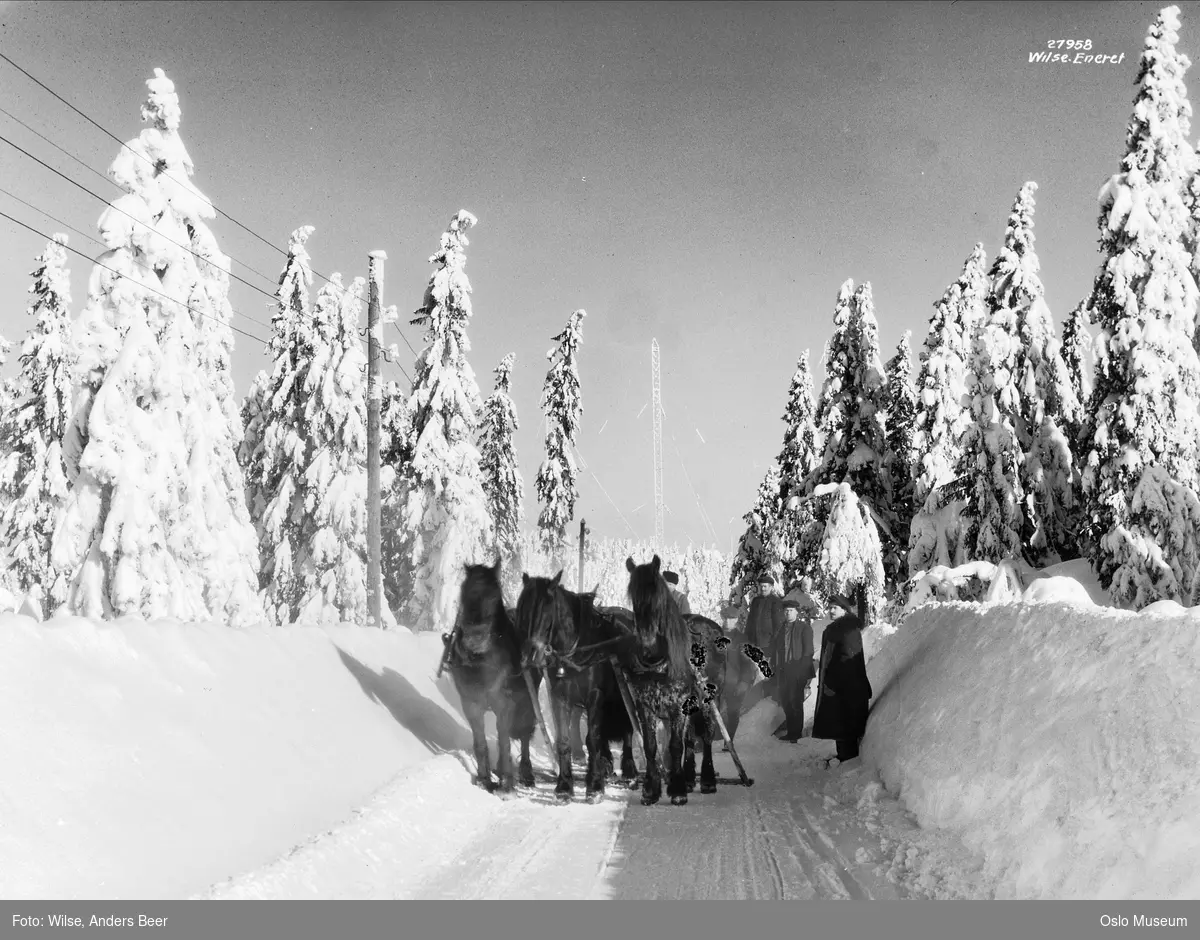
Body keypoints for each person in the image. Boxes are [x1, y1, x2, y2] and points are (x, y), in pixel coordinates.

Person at [811, 590, 873, 767]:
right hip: (840, 685)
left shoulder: (847, 630)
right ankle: (843, 755)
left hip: (846, 687)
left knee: (846, 722)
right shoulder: (839, 628)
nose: (831, 611)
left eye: (835, 608)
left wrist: (832, 683)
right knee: (839, 721)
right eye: (829, 608)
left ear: (844, 610)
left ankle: (848, 759)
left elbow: (847, 660)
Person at [774, 577, 820, 741]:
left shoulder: (804, 628)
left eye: (791, 611)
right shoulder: (781, 630)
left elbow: (808, 651)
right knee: (786, 701)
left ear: (796, 612)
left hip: (797, 671)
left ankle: (796, 733)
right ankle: (791, 731)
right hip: (783, 670)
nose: (788, 613)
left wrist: (804, 673)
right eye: (786, 611)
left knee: (795, 702)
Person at [742, 572, 786, 710]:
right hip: (755, 644)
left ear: (771, 587)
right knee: (754, 673)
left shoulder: (776, 602)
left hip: (768, 645)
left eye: (766, 586)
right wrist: (746, 640)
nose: (763, 589)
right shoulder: (756, 601)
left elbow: (778, 626)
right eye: (761, 586)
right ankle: (754, 700)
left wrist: (775, 645)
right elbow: (750, 622)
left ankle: (768, 699)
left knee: (767, 672)